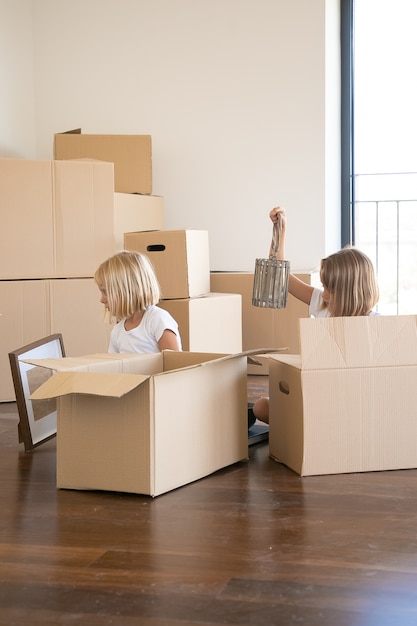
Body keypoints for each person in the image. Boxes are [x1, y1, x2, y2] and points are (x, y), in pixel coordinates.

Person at [249, 205, 380, 425]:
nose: (323, 293)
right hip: (317, 400)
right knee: (261, 406)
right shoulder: (325, 305)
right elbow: (282, 277)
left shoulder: (375, 325)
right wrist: (280, 230)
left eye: (329, 288)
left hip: (352, 405)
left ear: (348, 292)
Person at [95, 250, 182, 354]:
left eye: (105, 292)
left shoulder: (157, 319)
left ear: (128, 290)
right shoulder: (117, 332)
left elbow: (175, 363)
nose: (102, 300)